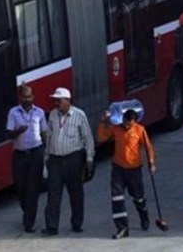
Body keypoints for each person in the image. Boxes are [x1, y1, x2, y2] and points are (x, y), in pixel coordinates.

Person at [96, 108, 156, 240]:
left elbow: (148, 147)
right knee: (117, 198)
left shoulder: (140, 130)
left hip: (134, 170)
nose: (127, 126)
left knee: (138, 197)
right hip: (118, 169)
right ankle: (122, 228)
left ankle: (144, 215)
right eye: (125, 122)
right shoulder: (115, 129)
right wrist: (102, 121)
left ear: (134, 122)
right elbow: (100, 137)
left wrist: (151, 163)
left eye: (130, 124)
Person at [42, 87, 95, 236]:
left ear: (67, 101)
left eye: (59, 100)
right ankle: (51, 226)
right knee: (53, 194)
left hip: (73, 159)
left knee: (76, 194)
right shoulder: (53, 115)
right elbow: (49, 137)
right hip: (55, 160)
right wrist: (46, 157)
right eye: (55, 100)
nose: (56, 103)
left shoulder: (79, 115)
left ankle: (77, 223)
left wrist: (89, 158)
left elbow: (88, 138)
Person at [6, 84, 48, 233]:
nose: (27, 99)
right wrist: (18, 131)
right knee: (21, 188)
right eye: (24, 97)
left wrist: (47, 152)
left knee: (32, 188)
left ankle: (29, 222)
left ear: (33, 97)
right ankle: (27, 211)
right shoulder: (13, 113)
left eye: (29, 96)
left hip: (36, 153)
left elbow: (44, 133)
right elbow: (8, 134)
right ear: (20, 97)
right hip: (19, 155)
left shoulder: (40, 113)